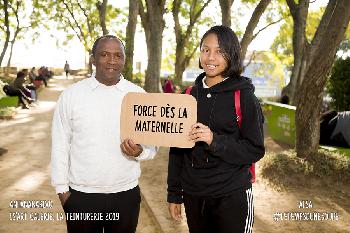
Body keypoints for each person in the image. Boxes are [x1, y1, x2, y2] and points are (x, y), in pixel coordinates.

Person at [51, 35, 158, 233]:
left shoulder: (139, 96)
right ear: (93, 58)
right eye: (104, 54)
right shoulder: (71, 95)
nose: (112, 60)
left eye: (118, 55)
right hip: (82, 196)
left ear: (125, 59)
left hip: (126, 196)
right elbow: (60, 144)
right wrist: (63, 192)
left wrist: (139, 152)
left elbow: (152, 147)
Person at [167, 25, 265, 233]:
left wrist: (214, 140)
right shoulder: (187, 96)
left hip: (231, 196)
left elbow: (255, 149)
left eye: (220, 51)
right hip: (194, 196)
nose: (211, 57)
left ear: (232, 54)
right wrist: (174, 193)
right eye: (206, 49)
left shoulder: (244, 97)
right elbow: (176, 150)